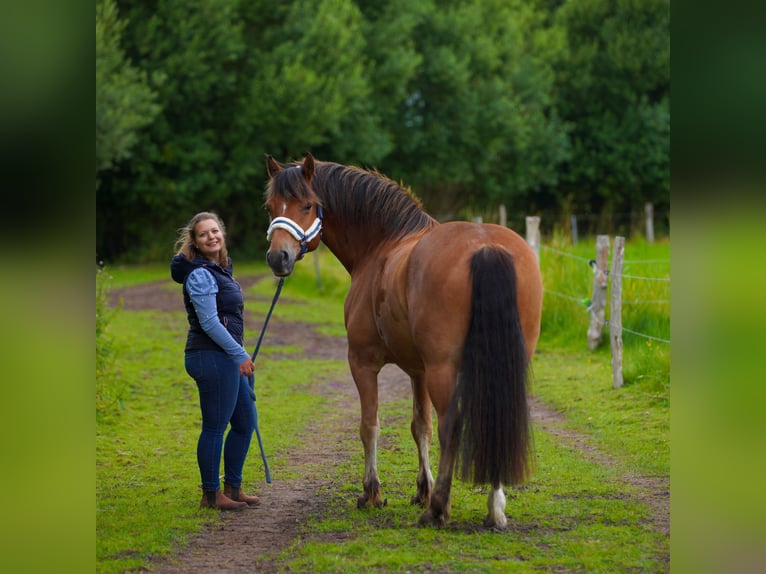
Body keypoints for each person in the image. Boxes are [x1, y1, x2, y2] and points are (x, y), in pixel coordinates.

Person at [170, 211, 260, 511]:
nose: (211, 236)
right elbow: (209, 322)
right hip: (209, 356)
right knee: (215, 426)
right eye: (203, 234)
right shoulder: (200, 274)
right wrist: (239, 355)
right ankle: (211, 494)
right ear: (194, 242)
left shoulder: (219, 269)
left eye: (215, 231)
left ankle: (233, 488)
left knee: (245, 423)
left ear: (222, 233)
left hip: (226, 357)